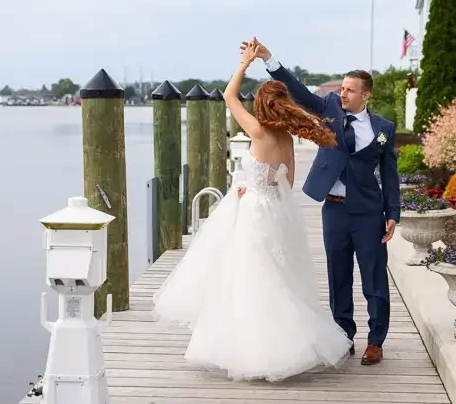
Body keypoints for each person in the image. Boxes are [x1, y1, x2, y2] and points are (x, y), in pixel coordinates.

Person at [152, 41, 352, 382]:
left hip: (253, 212)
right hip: (275, 210)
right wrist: (263, 184)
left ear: (261, 105)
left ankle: (254, 350)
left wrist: (244, 63)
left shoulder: (258, 131)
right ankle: (287, 348)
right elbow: (287, 181)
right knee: (277, 278)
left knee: (246, 279)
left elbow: (230, 96)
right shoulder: (288, 139)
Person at [251, 37, 400, 366]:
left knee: (374, 277)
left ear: (366, 94)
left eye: (350, 89)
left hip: (369, 212)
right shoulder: (329, 107)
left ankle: (376, 341)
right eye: (342, 87)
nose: (343, 93)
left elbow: (390, 174)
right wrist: (268, 58)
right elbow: (298, 92)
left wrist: (393, 213)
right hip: (333, 208)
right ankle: (343, 335)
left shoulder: (384, 128)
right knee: (338, 276)